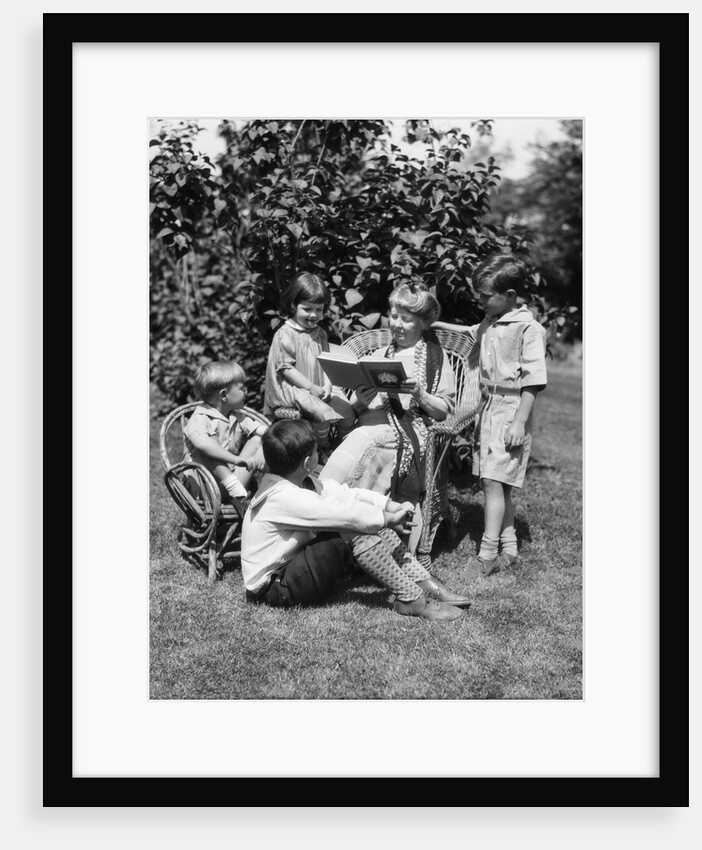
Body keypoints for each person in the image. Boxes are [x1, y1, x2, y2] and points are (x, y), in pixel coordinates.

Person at [241, 419, 471, 621]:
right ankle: (411, 599)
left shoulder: (295, 482)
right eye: (315, 452)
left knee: (362, 520)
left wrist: (387, 506)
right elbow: (346, 515)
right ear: (307, 463)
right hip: (275, 587)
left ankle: (422, 581)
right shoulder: (283, 497)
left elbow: (346, 493)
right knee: (354, 527)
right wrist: (387, 520)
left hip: (289, 570)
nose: (318, 456)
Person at [318, 280, 456, 553]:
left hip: (405, 431)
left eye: (406, 319)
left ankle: (343, 523)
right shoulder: (381, 354)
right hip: (368, 424)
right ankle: (332, 516)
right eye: (393, 316)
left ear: (423, 323)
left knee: (367, 441)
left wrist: (420, 394)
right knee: (363, 439)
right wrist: (360, 399)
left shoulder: (435, 359)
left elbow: (443, 411)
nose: (396, 324)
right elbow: (357, 408)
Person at [433, 253, 548, 577]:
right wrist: (434, 324)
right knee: (502, 483)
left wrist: (519, 422)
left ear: (509, 296)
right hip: (491, 410)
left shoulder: (528, 329)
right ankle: (509, 548)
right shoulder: (490, 323)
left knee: (491, 483)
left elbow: (534, 381)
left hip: (512, 411)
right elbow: (469, 332)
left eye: (485, 296)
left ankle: (487, 554)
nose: (480, 300)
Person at [264, 272, 356, 453]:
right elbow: (285, 368)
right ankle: (323, 448)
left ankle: (340, 445)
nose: (314, 315)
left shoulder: (319, 333)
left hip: (320, 385)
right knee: (322, 414)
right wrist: (311, 387)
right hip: (294, 388)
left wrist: (328, 386)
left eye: (319, 309)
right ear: (293, 305)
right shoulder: (286, 334)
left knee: (348, 413)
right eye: (307, 309)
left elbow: (327, 361)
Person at [183, 360, 267, 507]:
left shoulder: (236, 416)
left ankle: (269, 481)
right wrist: (235, 460)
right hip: (204, 486)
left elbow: (263, 430)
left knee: (259, 439)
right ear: (223, 395)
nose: (246, 391)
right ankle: (235, 489)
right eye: (242, 388)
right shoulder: (200, 418)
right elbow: (203, 444)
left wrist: (282, 434)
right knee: (207, 448)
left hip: (234, 483)